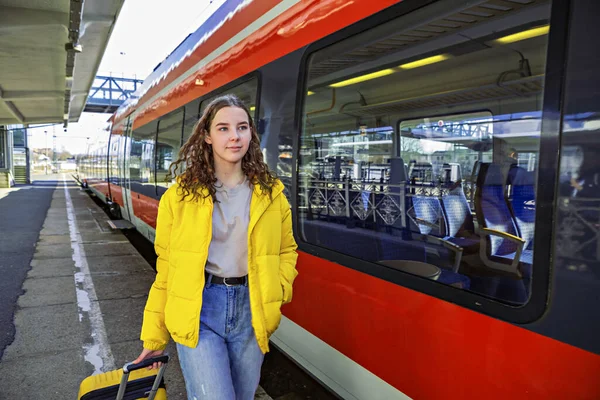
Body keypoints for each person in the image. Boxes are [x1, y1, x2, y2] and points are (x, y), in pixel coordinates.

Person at [133, 94, 299, 400]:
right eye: (223, 128)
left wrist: (279, 286)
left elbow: (287, 250)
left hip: (252, 308)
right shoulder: (179, 197)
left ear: (251, 133)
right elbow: (167, 269)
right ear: (207, 136)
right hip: (200, 309)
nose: (234, 136)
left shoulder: (271, 193)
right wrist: (154, 336)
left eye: (242, 127)